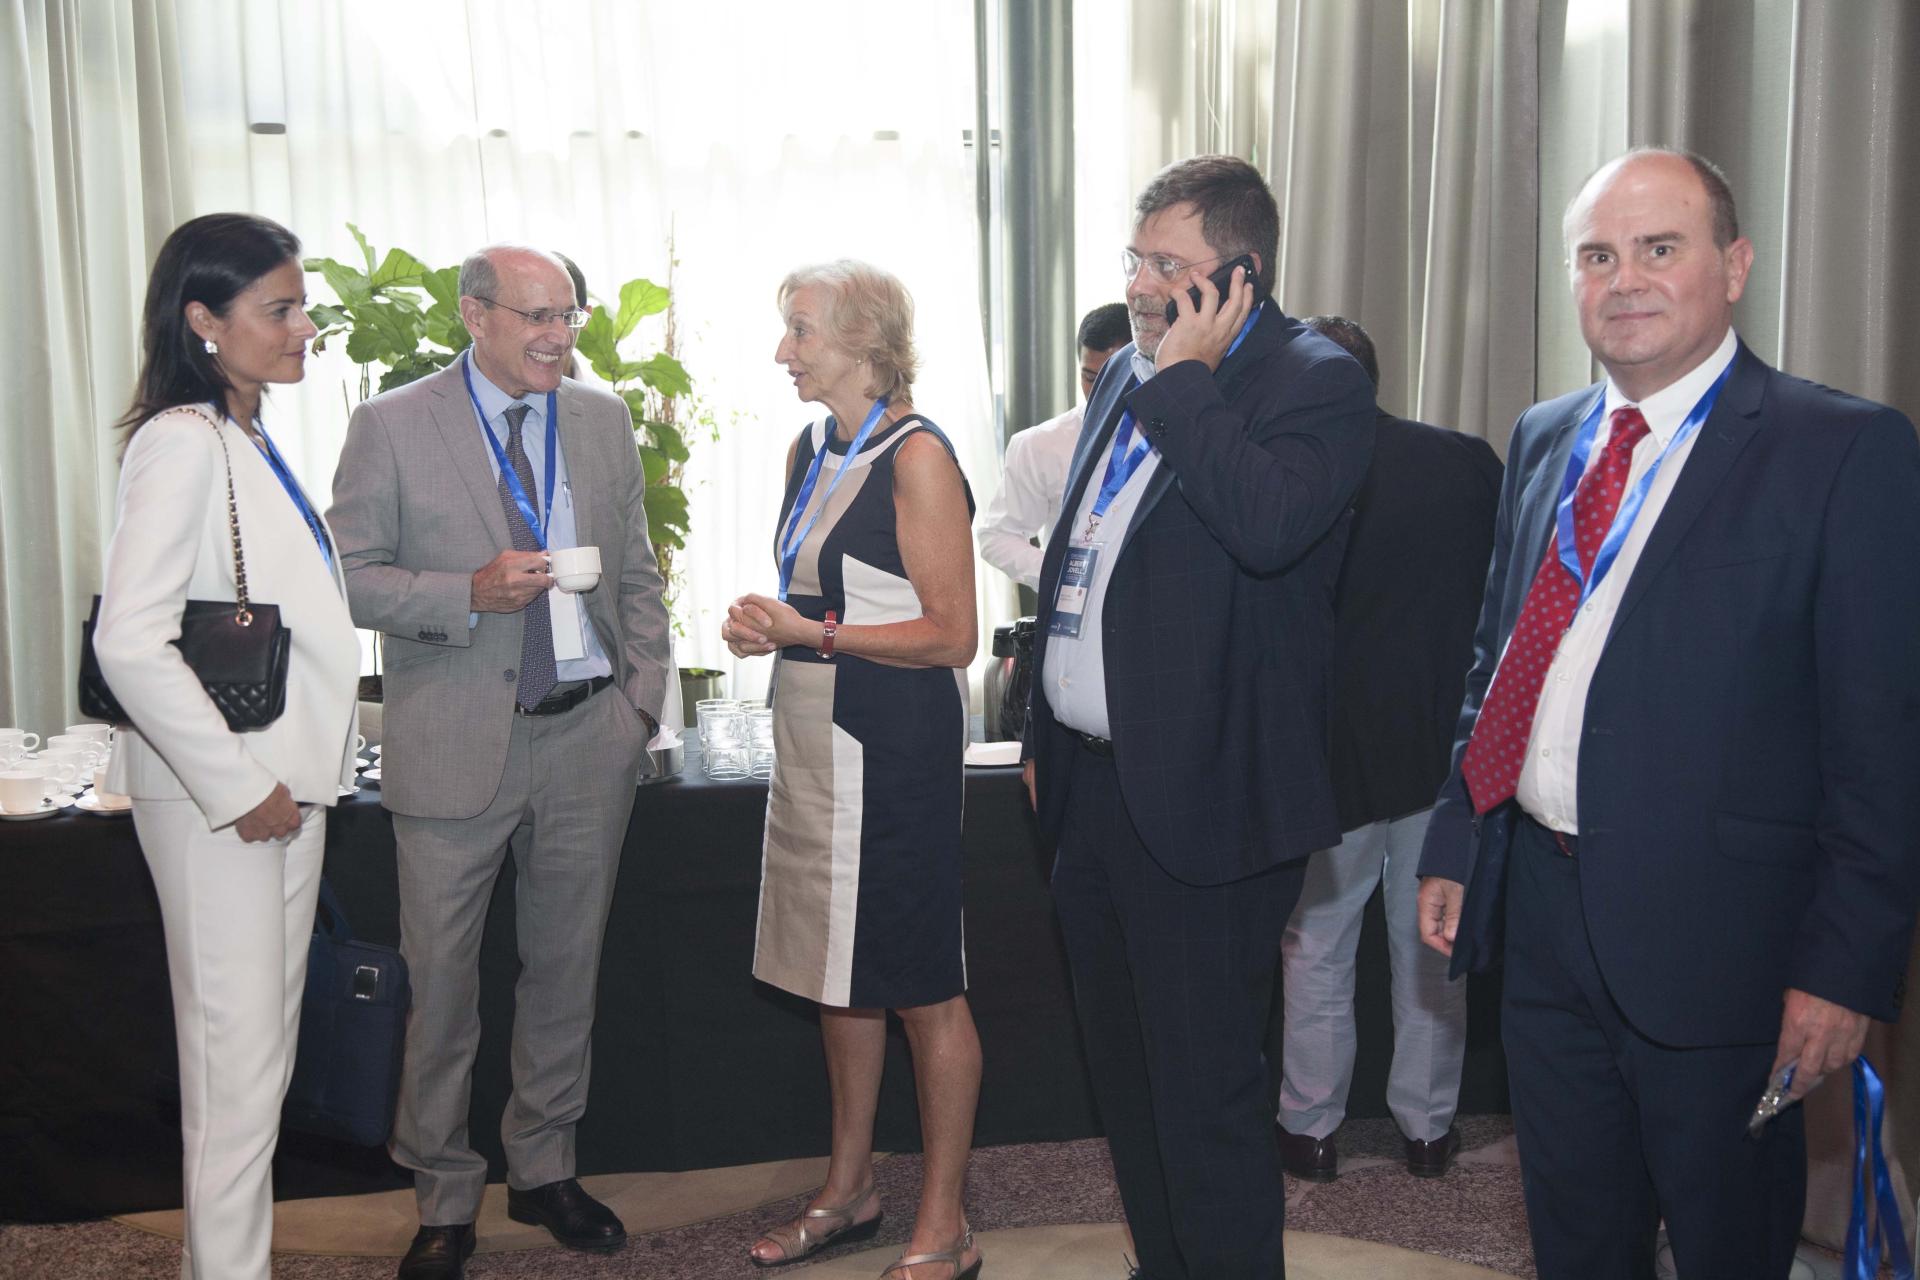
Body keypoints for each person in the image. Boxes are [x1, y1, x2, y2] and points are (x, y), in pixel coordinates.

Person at [1415, 147, 1920, 1278]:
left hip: (1727, 948)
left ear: (1734, 267)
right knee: (1577, 1238)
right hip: (1543, 916)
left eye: (1659, 248)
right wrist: (1459, 828)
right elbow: (1501, 659)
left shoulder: (1841, 449)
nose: (1625, 279)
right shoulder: (1546, 435)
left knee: (1726, 1246)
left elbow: (1883, 745)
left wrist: (1845, 967)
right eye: (1598, 256)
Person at [1022, 156, 1376, 1279]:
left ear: (1240, 274)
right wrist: (1043, 732)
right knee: (1126, 1083)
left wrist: (1187, 383)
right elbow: (1079, 561)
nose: (1138, 284)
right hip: (1093, 793)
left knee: (1206, 1096)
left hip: (1206, 796)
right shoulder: (1129, 372)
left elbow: (1268, 528)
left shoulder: (1312, 379)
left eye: (1166, 265)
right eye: (1135, 258)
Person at [327, 245, 671, 1280]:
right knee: (440, 987)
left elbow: (640, 573)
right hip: (451, 742)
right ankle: (442, 1194)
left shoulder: (601, 419)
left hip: (587, 735)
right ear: (475, 315)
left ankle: (544, 1167)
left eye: (568, 316)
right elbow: (346, 577)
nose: (558, 338)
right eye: (536, 317)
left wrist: (639, 703)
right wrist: (465, 593)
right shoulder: (393, 423)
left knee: (565, 971)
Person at [92, 212, 361, 1280]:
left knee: (254, 1074)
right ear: (203, 319)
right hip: (230, 800)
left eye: (302, 307)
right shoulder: (181, 438)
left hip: (275, 791)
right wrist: (237, 783)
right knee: (236, 1078)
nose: (304, 329)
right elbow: (129, 637)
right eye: (278, 309)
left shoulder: (241, 433)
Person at [722, 260, 983, 1280]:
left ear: (866, 342)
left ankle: (945, 1221)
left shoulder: (918, 455)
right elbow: (824, 597)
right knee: (838, 973)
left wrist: (814, 635)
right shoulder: (812, 447)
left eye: (801, 331)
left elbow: (953, 635)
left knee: (921, 984)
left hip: (893, 749)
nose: (782, 352)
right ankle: (849, 1189)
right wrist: (769, 628)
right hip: (814, 739)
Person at [1275, 316, 1500, 1183]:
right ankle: (1428, 1131)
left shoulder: (1294, 472)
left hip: (1333, 752)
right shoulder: (1465, 459)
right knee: (1432, 941)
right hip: (1447, 745)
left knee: (1318, 945)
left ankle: (1310, 1129)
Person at [977, 302, 1131, 590]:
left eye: (1114, 377)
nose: (1100, 391)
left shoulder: (1171, 436)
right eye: (1089, 378)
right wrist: (1059, 574)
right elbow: (997, 536)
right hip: (1073, 606)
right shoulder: (1040, 444)